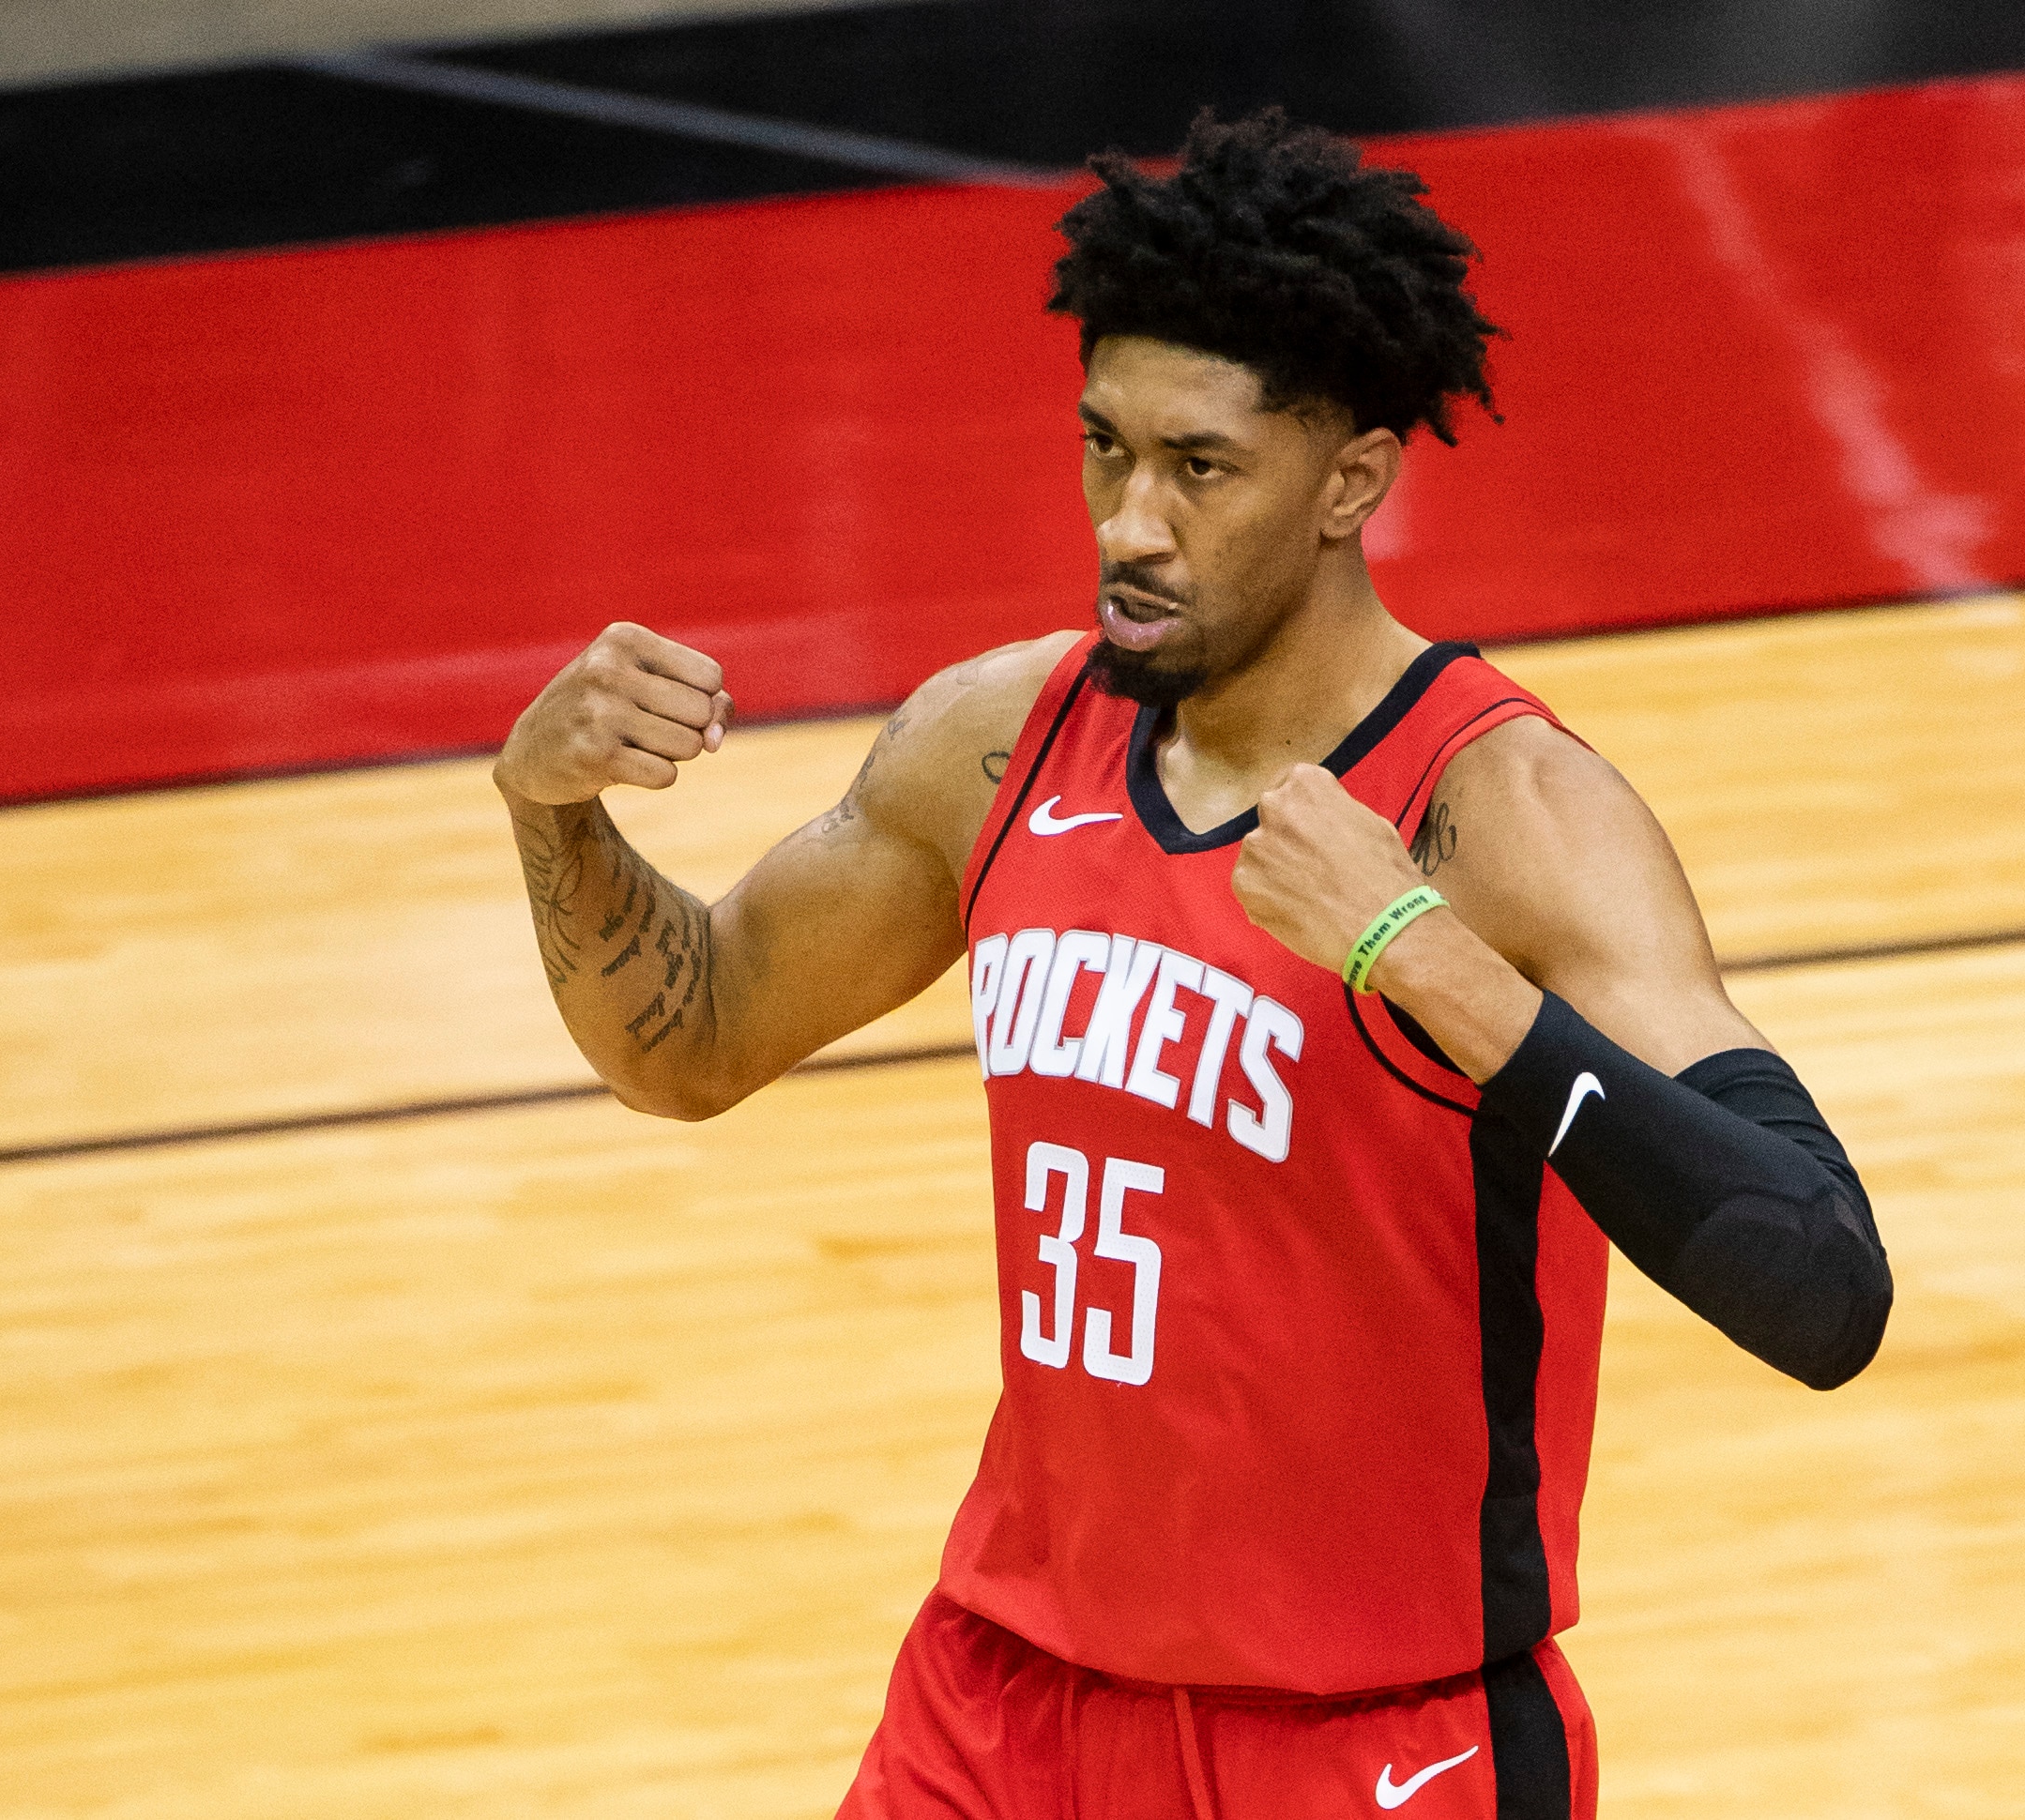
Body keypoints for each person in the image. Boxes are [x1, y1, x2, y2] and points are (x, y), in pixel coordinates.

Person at [491, 108, 1889, 1820]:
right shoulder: (998, 738)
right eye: (1105, 451)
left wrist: (1426, 963)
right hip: (996, 1702)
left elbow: (1821, 1286)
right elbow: (689, 1044)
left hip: (1367, 1741)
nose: (1132, 524)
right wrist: (552, 815)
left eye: (1200, 468)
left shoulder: (1504, 813)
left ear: (1350, 480)